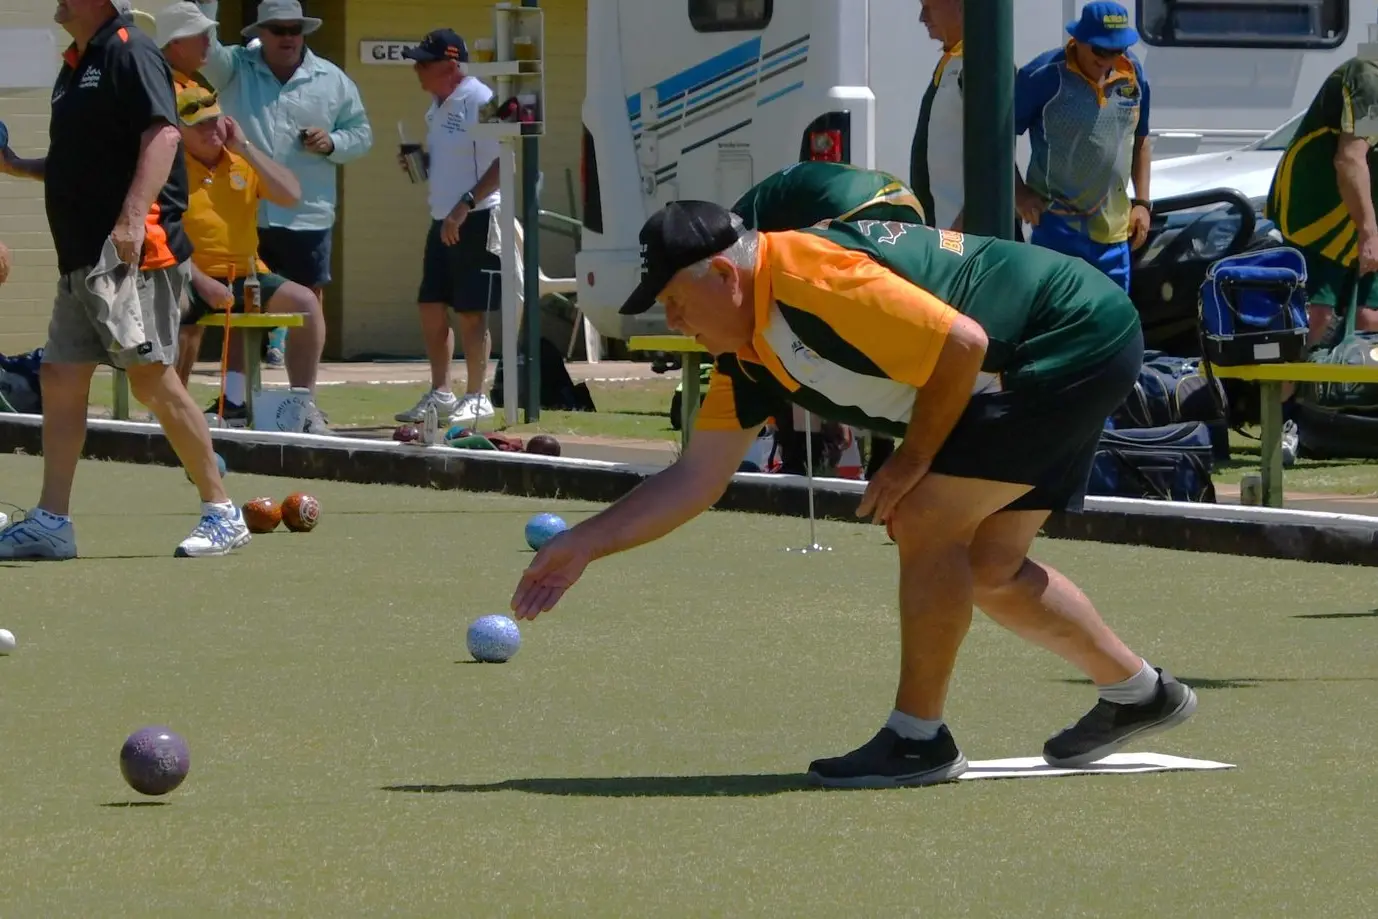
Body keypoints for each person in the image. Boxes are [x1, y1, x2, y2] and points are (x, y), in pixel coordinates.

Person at [510, 195, 1197, 788]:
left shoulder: (810, 278)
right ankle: (1139, 691)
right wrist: (583, 544)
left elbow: (962, 343)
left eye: (677, 302)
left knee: (923, 516)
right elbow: (697, 476)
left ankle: (918, 738)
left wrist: (910, 461)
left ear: (724, 275)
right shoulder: (749, 353)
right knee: (988, 568)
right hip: (1050, 349)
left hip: (1066, 334)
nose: (676, 321)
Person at [0, 0, 250, 559]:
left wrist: (134, 218)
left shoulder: (129, 50)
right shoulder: (74, 67)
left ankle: (222, 511)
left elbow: (162, 137)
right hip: (80, 257)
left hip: (130, 256)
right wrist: (16, 165)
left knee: (150, 379)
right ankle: (51, 522)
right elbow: (78, 160)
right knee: (60, 377)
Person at [196, 0, 373, 394]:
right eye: (279, 29)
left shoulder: (333, 79)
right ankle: (236, 398)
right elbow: (204, 46)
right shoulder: (235, 66)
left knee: (307, 302)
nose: (289, 37)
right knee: (242, 305)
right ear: (259, 32)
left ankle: (301, 401)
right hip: (244, 212)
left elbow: (362, 135)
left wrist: (333, 142)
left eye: (296, 29)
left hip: (306, 213)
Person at [730, 160, 928, 478]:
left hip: (848, 208)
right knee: (882, 332)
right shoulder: (754, 219)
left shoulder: (736, 240)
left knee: (781, 333)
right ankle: (880, 454)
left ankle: (803, 457)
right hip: (903, 201)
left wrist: (825, 409)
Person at [173, 85, 327, 426]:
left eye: (215, 121)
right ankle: (174, 410)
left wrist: (244, 146)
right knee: (171, 312)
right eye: (199, 124)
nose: (210, 130)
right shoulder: (170, 168)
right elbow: (163, 237)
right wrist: (201, 281)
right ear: (179, 130)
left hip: (246, 273)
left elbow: (291, 194)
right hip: (189, 274)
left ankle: (302, 405)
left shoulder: (243, 161)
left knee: (306, 302)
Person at [392, 29, 502, 428]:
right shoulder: (436, 105)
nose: (417, 69)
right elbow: (454, 161)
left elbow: (504, 162)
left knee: (472, 312)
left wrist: (464, 206)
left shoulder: (482, 99)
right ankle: (441, 393)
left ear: (452, 65)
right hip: (443, 217)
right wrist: (420, 162)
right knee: (431, 304)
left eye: (425, 62)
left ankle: (478, 396)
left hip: (476, 217)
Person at [1014, 1, 1152, 292]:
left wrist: (1142, 203)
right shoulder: (1043, 75)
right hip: (1057, 226)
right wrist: (1019, 193)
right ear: (1079, 39)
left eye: (1116, 50)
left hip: (1115, 234)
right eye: (1100, 50)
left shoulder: (1133, 74)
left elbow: (1141, 139)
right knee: (1054, 319)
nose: (1107, 60)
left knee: (1110, 325)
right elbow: (999, 139)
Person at [1266, 54, 1378, 345]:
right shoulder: (1369, 77)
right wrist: (1369, 232)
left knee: (1369, 314)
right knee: (1316, 315)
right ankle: (1281, 389)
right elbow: (1350, 159)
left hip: (1361, 213)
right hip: (1317, 214)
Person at [911, 0, 966, 231]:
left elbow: (994, 155)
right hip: (946, 232)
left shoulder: (979, 65)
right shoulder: (950, 62)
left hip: (967, 238)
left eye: (930, 6)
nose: (922, 17)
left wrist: (965, 221)